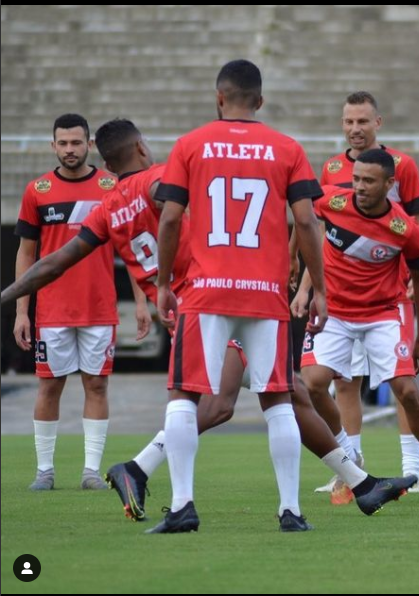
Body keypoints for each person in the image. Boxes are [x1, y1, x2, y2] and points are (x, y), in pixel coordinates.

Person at [2, 118, 416, 525]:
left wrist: (8, 295)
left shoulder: (109, 207)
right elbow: (174, 208)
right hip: (212, 301)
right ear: (143, 148)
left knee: (292, 393)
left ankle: (362, 485)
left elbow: (55, 261)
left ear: (106, 164)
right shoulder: (158, 179)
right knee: (224, 405)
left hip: (191, 303)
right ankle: (142, 469)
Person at [151, 58, 328, 534]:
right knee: (278, 401)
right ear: (261, 101)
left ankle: (183, 505)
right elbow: (307, 222)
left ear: (219, 98)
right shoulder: (287, 148)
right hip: (265, 295)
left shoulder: (189, 145)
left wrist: (165, 283)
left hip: (205, 292)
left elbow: (169, 220)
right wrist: (321, 291)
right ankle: (290, 511)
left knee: (184, 397)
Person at [295, 149, 419, 504]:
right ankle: (350, 460)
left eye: (368, 181)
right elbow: (302, 222)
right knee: (312, 384)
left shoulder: (404, 229)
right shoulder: (330, 202)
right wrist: (296, 272)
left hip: (382, 314)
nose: (359, 186)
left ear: (390, 184)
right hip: (336, 314)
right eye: (356, 178)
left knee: (406, 390)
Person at [316, 91, 419, 497]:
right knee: (344, 383)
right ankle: (351, 467)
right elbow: (314, 222)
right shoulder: (330, 169)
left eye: (362, 121)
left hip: (391, 292)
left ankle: (410, 468)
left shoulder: (402, 166)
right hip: (343, 295)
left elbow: (417, 223)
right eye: (348, 121)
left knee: (401, 382)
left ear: (377, 123)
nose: (354, 129)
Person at [12, 113, 118, 491]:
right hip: (52, 309)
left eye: (76, 143)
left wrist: (142, 302)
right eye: (63, 143)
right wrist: (22, 311)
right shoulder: (37, 190)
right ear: (53, 146)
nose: (69, 149)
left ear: (89, 145)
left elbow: (129, 247)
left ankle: (91, 471)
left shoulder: (111, 186)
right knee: (49, 386)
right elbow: (26, 254)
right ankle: (45, 470)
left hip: (99, 306)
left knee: (97, 386)